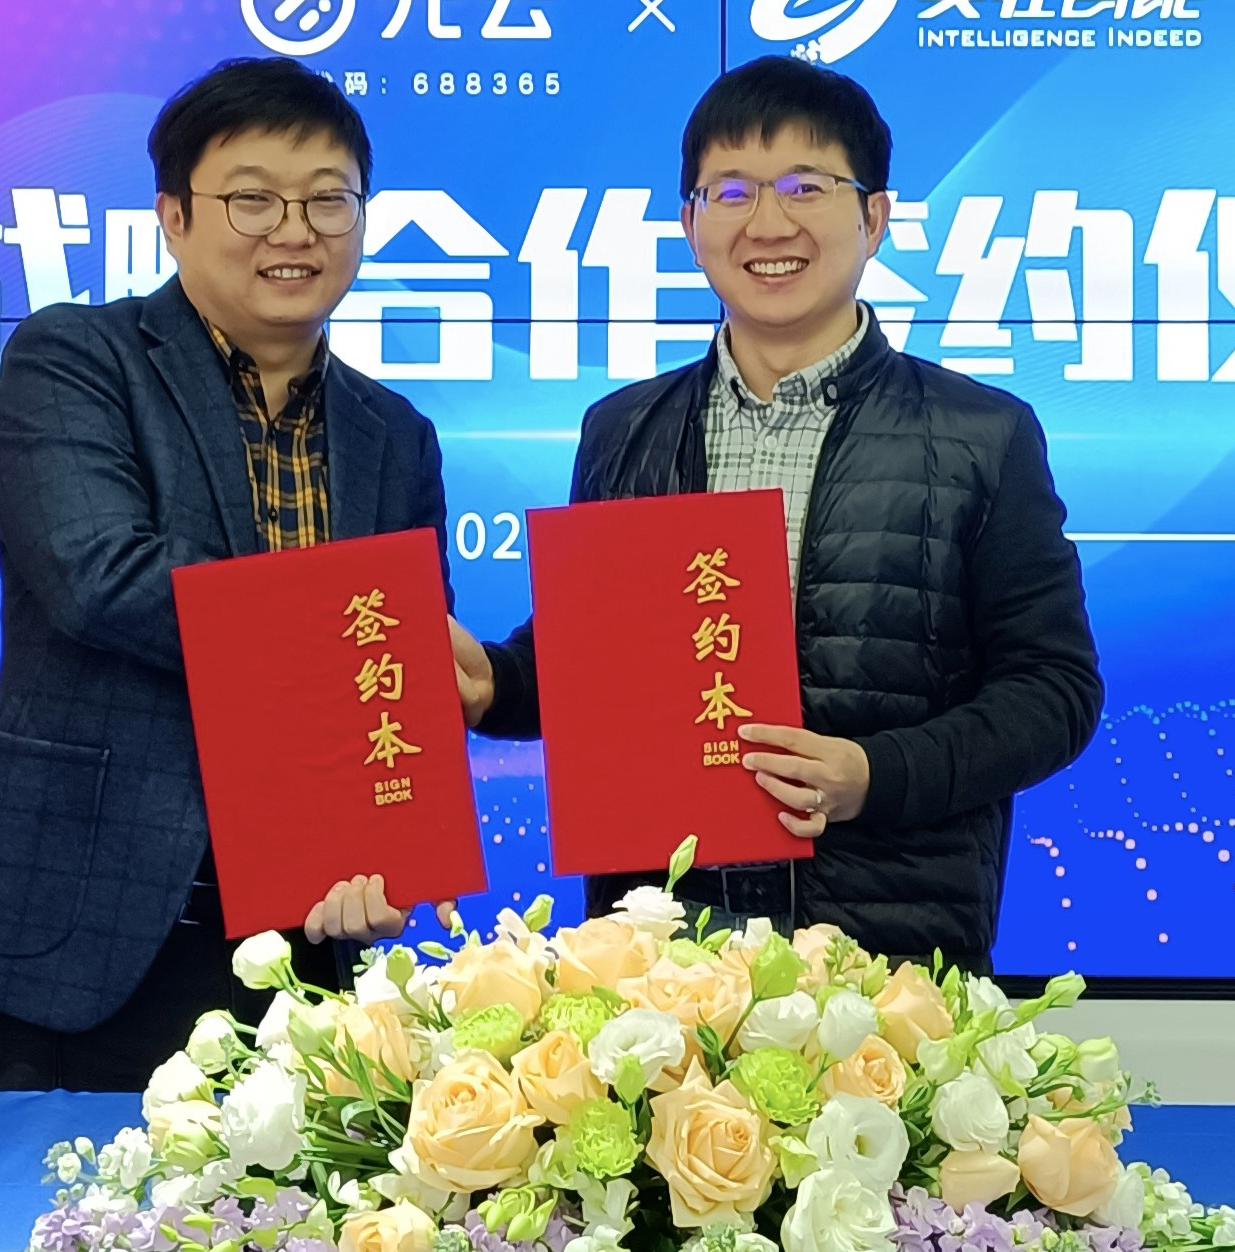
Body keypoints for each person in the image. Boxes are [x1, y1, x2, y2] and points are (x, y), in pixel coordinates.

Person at [0, 58, 478, 1091]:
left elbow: (397, 678)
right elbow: (99, 575)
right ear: (174, 215)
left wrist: (392, 846)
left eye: (328, 200)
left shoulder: (395, 434)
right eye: (253, 199)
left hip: (297, 941)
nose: (294, 231)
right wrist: (352, 630)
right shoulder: (78, 358)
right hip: (80, 930)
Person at [457, 56, 1102, 972]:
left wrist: (874, 774)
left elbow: (1054, 690)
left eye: (806, 186)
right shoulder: (622, 429)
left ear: (874, 217)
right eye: (730, 190)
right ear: (690, 223)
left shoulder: (980, 436)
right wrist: (496, 682)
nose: (768, 222)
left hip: (883, 968)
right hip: (662, 964)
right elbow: (600, 663)